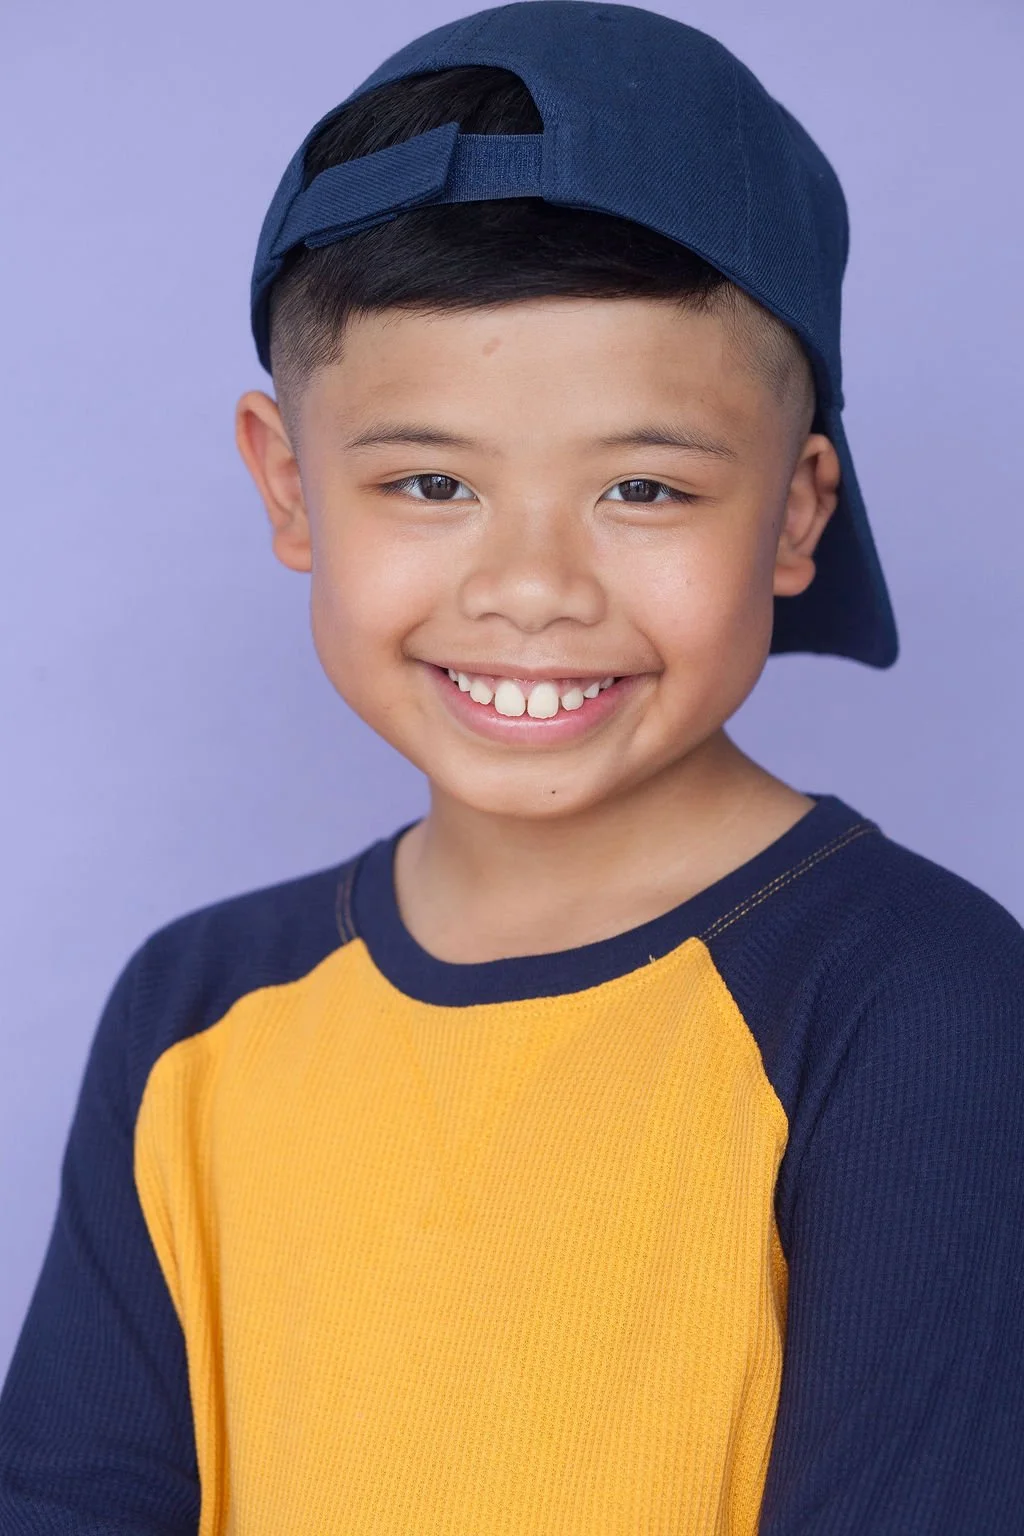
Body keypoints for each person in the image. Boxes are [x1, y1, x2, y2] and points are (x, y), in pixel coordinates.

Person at [2, 3, 1022, 1531]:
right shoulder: (194, 1009)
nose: (532, 584)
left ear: (799, 514)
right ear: (288, 487)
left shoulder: (918, 1004)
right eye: (430, 481)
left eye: (643, 485)